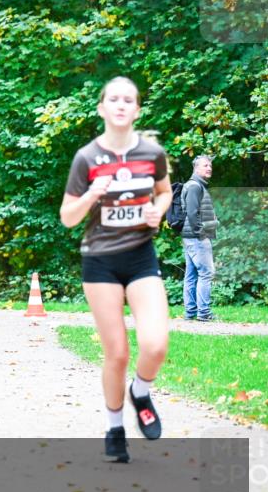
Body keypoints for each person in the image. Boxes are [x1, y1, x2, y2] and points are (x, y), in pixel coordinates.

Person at [59, 76, 171, 463]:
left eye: (129, 99)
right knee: (118, 353)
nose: (121, 105)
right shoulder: (86, 158)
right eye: (114, 99)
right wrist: (92, 193)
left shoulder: (152, 152)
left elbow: (165, 190)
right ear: (102, 108)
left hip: (141, 256)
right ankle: (114, 428)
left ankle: (140, 392)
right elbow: (68, 218)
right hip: (100, 261)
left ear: (137, 110)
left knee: (155, 344)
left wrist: (159, 210)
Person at [182, 155, 218, 322]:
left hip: (190, 236)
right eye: (205, 165)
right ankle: (203, 313)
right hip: (196, 237)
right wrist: (201, 233)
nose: (209, 168)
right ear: (196, 169)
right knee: (206, 273)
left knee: (191, 274)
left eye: (210, 165)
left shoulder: (195, 185)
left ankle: (190, 312)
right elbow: (191, 213)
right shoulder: (195, 186)